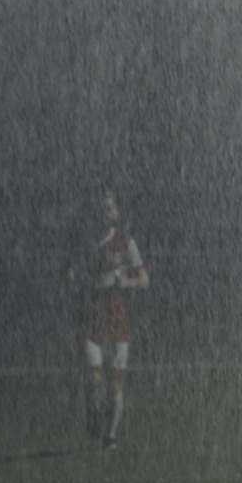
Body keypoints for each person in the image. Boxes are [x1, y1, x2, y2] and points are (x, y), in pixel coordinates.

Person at [70, 189, 149, 449]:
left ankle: (110, 438)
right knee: (94, 379)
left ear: (116, 213)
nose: (105, 213)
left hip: (117, 319)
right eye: (101, 208)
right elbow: (71, 272)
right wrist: (74, 284)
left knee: (115, 385)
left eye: (109, 208)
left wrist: (124, 281)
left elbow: (144, 279)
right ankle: (92, 413)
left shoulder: (125, 241)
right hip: (93, 317)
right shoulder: (85, 243)